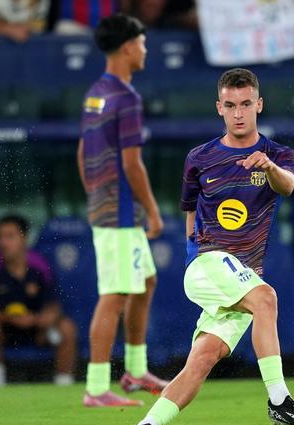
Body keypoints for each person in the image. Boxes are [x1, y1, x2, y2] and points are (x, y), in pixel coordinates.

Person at [136, 68, 294, 425]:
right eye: (230, 105)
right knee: (266, 298)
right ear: (219, 108)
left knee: (203, 358)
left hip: (243, 275)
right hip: (209, 263)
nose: (238, 113)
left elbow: (287, 186)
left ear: (259, 104)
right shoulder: (200, 158)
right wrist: (196, 256)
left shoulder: (279, 155)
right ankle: (280, 401)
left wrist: (268, 167)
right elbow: (190, 210)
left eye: (245, 104)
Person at [77, 13, 167, 407]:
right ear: (128, 46)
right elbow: (132, 164)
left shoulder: (96, 93)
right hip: (122, 211)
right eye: (142, 43)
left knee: (145, 281)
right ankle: (97, 388)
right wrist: (153, 210)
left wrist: (95, 193)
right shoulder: (127, 98)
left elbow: (83, 149)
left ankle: (135, 371)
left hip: (107, 204)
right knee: (114, 295)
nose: (145, 50)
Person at [0, 215, 77, 386]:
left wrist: (45, 318)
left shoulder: (41, 265)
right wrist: (12, 319)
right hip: (5, 330)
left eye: (10, 236)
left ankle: (64, 385)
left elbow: (54, 304)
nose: (3, 243)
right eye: (0, 237)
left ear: (24, 238)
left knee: (67, 327)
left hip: (37, 330)